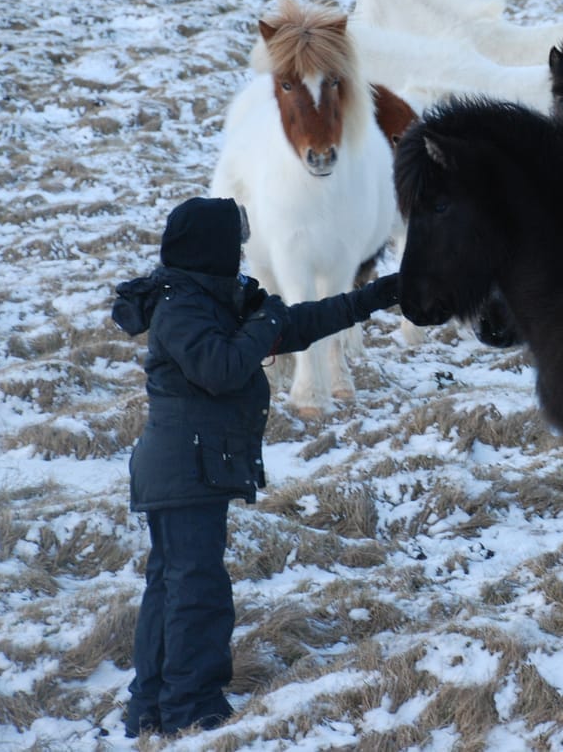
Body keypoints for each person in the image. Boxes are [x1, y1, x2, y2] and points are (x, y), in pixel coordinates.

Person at [110, 196, 398, 737]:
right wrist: (266, 318)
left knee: (174, 587)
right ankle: (191, 708)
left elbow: (295, 324)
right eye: (234, 245)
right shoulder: (183, 306)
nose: (242, 255)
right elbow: (221, 368)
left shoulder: (208, 298)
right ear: (211, 249)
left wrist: (374, 298)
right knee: (197, 593)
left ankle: (151, 708)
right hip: (186, 470)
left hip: (191, 467)